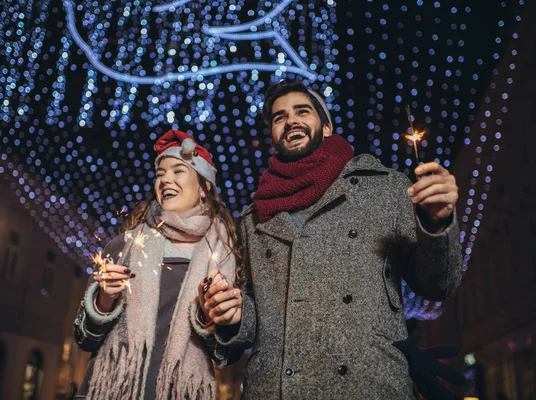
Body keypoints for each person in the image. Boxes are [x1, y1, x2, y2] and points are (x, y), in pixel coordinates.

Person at [195, 79, 464, 399]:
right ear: (273, 136)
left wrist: (437, 224)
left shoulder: (386, 188)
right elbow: (253, 319)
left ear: (326, 126)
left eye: (302, 111)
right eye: (279, 117)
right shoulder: (252, 220)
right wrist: (233, 316)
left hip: (369, 386)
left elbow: (438, 284)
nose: (290, 120)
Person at [73, 129, 239, 399]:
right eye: (160, 173)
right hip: (109, 391)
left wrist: (209, 318)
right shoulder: (123, 247)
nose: (165, 180)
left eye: (178, 171)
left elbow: (226, 356)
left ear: (204, 186)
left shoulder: (224, 258)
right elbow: (84, 338)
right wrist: (103, 300)